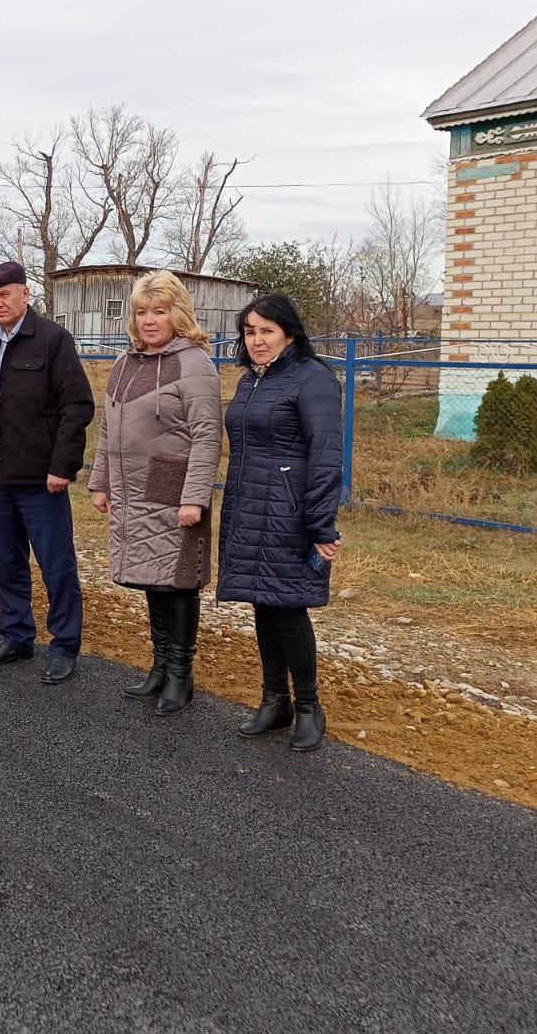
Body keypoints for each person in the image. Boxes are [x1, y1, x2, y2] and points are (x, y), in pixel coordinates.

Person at [88, 271, 223, 715]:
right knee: (152, 580)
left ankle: (181, 675)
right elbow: (108, 426)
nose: (149, 321)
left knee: (178, 583)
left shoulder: (195, 363)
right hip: (131, 490)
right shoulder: (127, 362)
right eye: (142, 312)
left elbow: (207, 436)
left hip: (174, 489)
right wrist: (101, 480)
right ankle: (159, 666)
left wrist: (194, 497)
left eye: (159, 311)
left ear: (177, 313)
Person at [217, 293, 343, 752]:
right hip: (249, 507)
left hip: (290, 514)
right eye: (250, 332)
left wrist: (320, 525)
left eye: (266, 331)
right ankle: (275, 700)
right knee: (262, 604)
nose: (257, 340)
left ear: (290, 332)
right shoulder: (251, 381)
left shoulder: (314, 381)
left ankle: (309, 706)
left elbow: (326, 458)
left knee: (288, 609)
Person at [0, 261, 95, 684]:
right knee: (6, 563)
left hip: (41, 478)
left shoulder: (53, 340)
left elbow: (78, 406)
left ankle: (64, 645)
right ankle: (16, 636)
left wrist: (62, 466)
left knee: (56, 565)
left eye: (4, 295)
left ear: (25, 294)